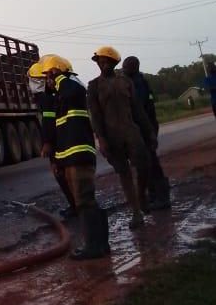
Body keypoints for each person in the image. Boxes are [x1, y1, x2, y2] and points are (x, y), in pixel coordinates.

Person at [40, 54, 109, 259]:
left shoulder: (72, 88)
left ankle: (95, 246)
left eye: (48, 76)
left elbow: (74, 91)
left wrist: (59, 77)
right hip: (70, 157)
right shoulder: (60, 98)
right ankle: (99, 244)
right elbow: (62, 133)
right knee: (83, 201)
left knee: (85, 201)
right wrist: (59, 161)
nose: (47, 81)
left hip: (80, 156)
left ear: (56, 72)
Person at [88, 46, 155, 229]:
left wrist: (149, 132)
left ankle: (141, 196)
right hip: (111, 136)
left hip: (131, 131)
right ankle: (135, 213)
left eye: (106, 61)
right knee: (124, 173)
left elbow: (138, 110)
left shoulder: (125, 82)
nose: (103, 65)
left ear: (114, 63)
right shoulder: (94, 86)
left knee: (143, 166)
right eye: (100, 62)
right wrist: (101, 139)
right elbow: (95, 115)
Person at [28, 60, 76, 218]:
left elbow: (48, 123)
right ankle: (76, 204)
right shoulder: (56, 95)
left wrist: (47, 144)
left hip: (58, 144)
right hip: (65, 140)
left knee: (60, 174)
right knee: (66, 174)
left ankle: (75, 206)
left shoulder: (46, 99)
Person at [122, 55, 171, 210]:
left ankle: (162, 198)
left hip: (146, 127)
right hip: (143, 127)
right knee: (144, 163)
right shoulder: (137, 82)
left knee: (152, 163)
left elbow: (140, 108)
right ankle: (153, 195)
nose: (123, 69)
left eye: (126, 66)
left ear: (134, 67)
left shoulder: (138, 84)